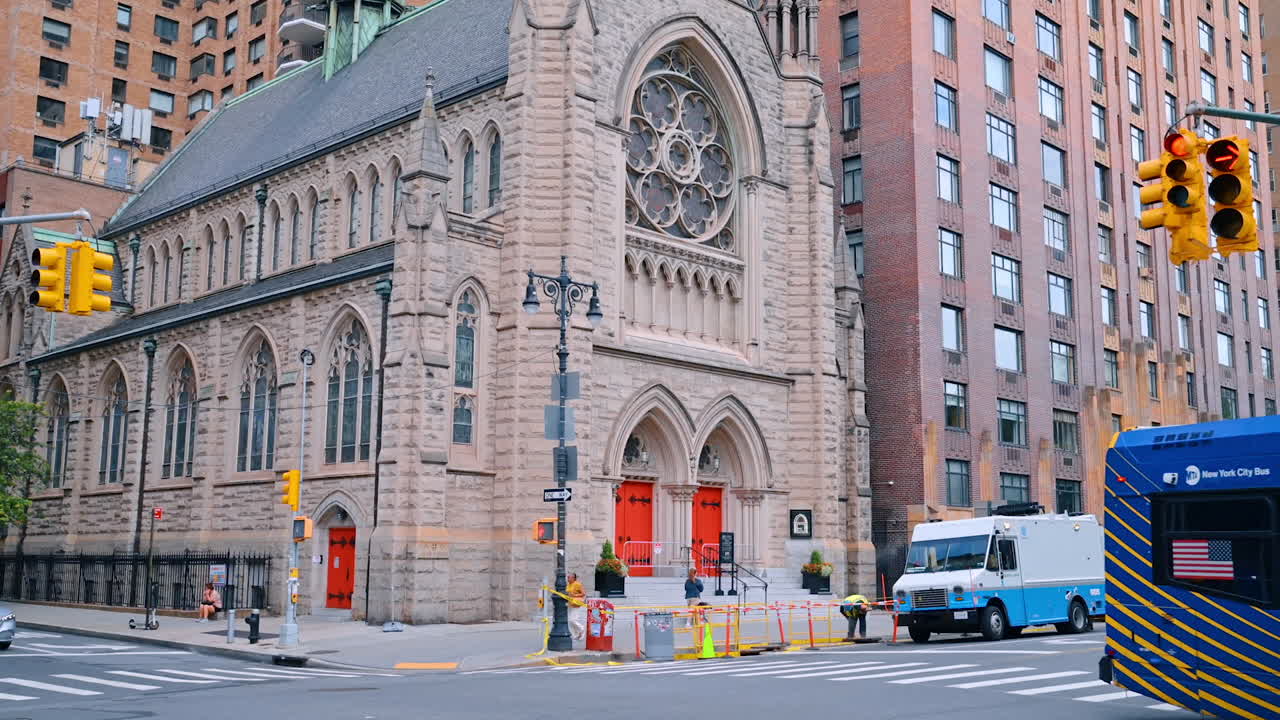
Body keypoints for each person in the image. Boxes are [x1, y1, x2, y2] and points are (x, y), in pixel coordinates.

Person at [565, 572, 587, 640]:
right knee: (570, 621)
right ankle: (577, 634)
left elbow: (583, 593)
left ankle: (581, 629)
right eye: (568, 577)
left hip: (576, 604)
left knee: (572, 620)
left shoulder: (577, 584)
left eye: (569, 577)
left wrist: (575, 595)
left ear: (573, 578)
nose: (568, 579)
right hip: (570, 604)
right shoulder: (568, 585)